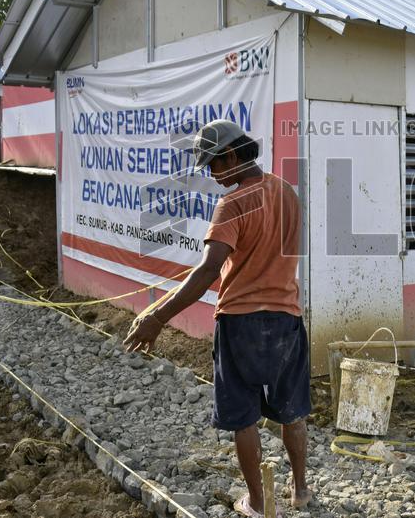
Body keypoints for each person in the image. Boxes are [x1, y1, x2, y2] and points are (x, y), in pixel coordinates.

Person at [123, 119, 312, 518]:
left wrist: (157, 316)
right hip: (287, 319)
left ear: (230, 155)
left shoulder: (234, 203)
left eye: (212, 164)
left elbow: (208, 270)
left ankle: (257, 502)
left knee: (243, 415)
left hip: (242, 321)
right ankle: (300, 490)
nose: (211, 173)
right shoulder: (288, 192)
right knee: (292, 407)